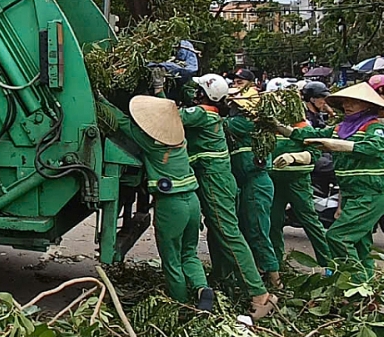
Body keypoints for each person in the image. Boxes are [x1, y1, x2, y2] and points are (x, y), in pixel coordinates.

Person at [161, 72, 276, 318]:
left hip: (215, 180)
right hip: (219, 179)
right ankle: (224, 280)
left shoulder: (202, 113)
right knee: (218, 232)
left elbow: (168, 117)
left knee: (228, 233)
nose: (193, 93)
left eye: (197, 90)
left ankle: (260, 294)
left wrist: (158, 93)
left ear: (204, 94)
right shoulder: (212, 115)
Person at [98, 95, 213, 309]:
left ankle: (180, 305)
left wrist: (102, 101)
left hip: (171, 206)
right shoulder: (181, 139)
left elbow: (123, 122)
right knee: (188, 253)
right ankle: (201, 288)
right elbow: (166, 114)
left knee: (171, 260)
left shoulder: (152, 145)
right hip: (192, 203)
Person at [283, 82, 384, 282]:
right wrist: (279, 127)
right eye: (345, 102)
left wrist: (340, 146)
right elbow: (310, 135)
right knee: (360, 243)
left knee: (338, 236)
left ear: (367, 106)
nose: (347, 105)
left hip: (371, 193)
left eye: (354, 102)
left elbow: (375, 147)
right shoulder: (342, 128)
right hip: (350, 193)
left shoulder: (375, 127)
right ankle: (367, 288)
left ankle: (353, 283)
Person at [265, 85, 333, 269]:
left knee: (311, 222)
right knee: (273, 224)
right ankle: (276, 266)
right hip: (274, 182)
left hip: (298, 182)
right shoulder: (269, 128)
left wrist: (294, 157)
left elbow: (314, 152)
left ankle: (329, 266)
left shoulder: (303, 126)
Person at [226, 96, 281, 288]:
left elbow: (219, 123)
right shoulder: (251, 127)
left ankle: (275, 281)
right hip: (250, 184)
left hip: (256, 184)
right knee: (249, 229)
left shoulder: (243, 124)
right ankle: (260, 272)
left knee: (257, 230)